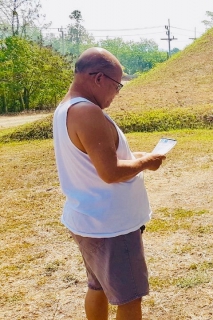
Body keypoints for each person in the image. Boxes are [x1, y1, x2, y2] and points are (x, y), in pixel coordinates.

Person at [52, 47, 166, 319]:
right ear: (99, 78)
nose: (117, 93)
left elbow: (94, 160)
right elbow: (111, 172)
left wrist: (137, 157)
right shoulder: (87, 112)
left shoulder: (66, 107)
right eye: (117, 85)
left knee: (98, 287)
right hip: (111, 226)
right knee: (128, 299)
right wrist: (147, 163)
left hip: (88, 219)